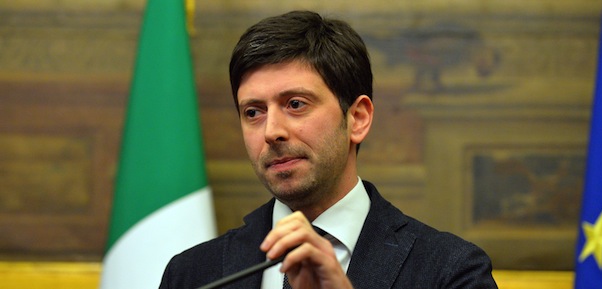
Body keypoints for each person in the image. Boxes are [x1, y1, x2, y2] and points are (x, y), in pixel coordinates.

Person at [159, 10, 498, 289]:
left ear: (358, 118)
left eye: (295, 104)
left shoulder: (451, 271)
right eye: (253, 112)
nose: (271, 131)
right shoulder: (192, 274)